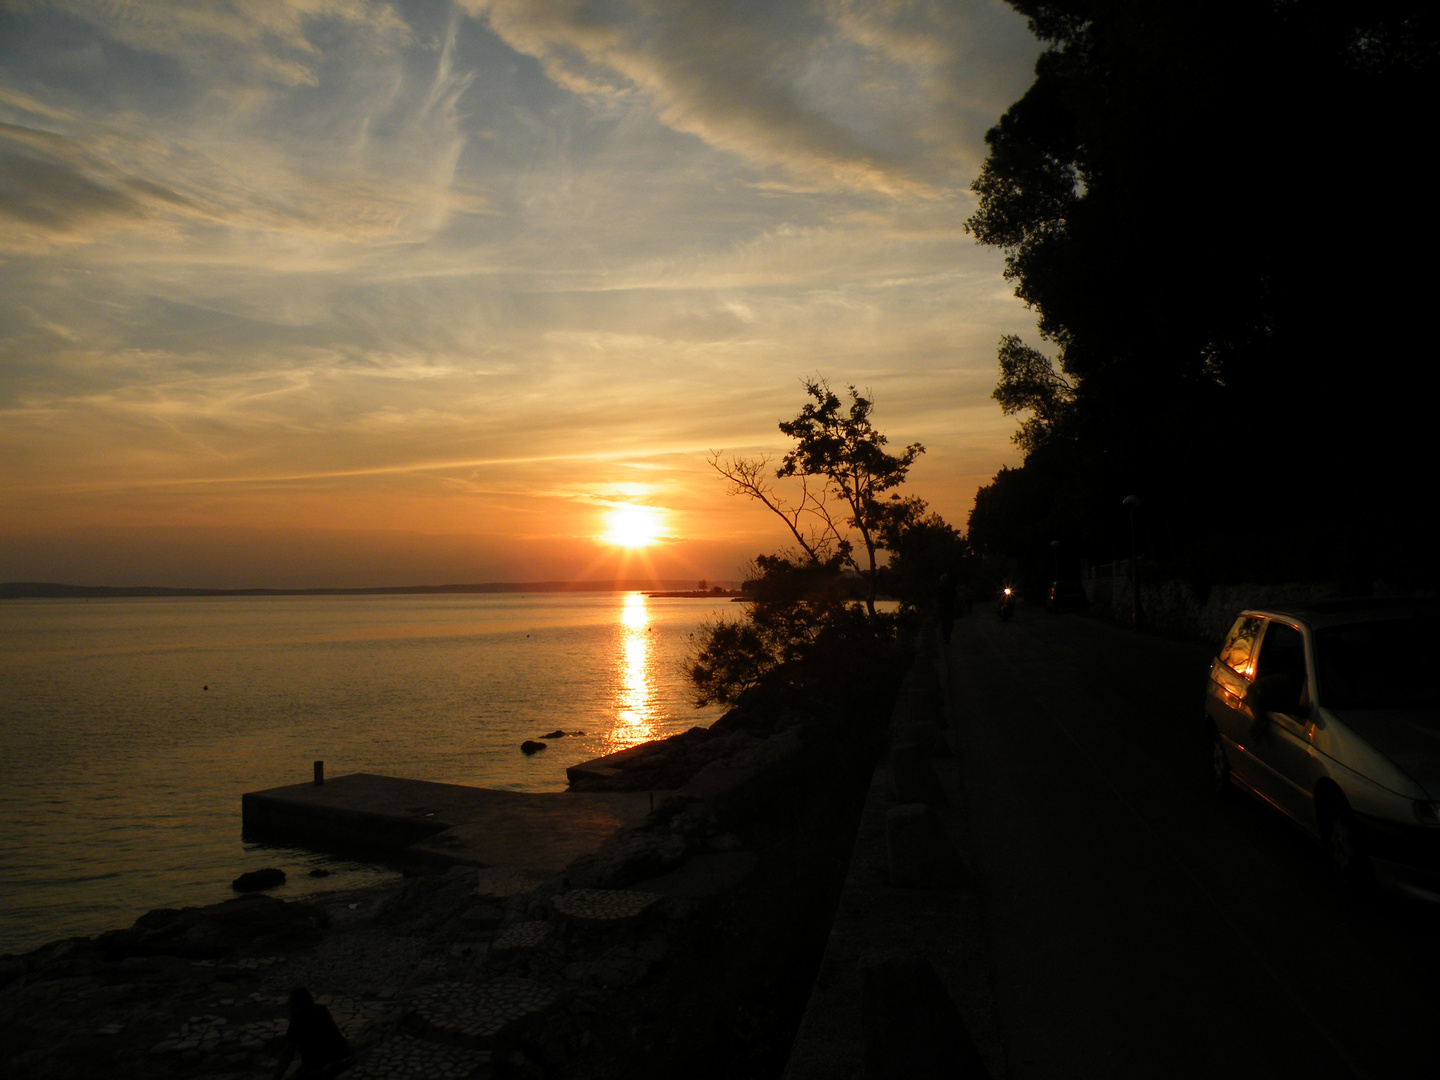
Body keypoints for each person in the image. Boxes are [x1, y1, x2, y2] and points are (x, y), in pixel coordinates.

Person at [273, 986, 353, 1079]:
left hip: (320, 1064)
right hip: (340, 1054)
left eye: (291, 1004)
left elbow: (287, 1054)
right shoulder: (322, 1010)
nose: (288, 1007)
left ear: (298, 1006)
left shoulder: (298, 1022)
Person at [935, 573, 957, 645]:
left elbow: (955, 596)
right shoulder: (939, 588)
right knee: (944, 624)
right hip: (943, 608)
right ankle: (946, 638)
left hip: (950, 607)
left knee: (950, 623)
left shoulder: (951, 587)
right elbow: (937, 598)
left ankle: (948, 636)